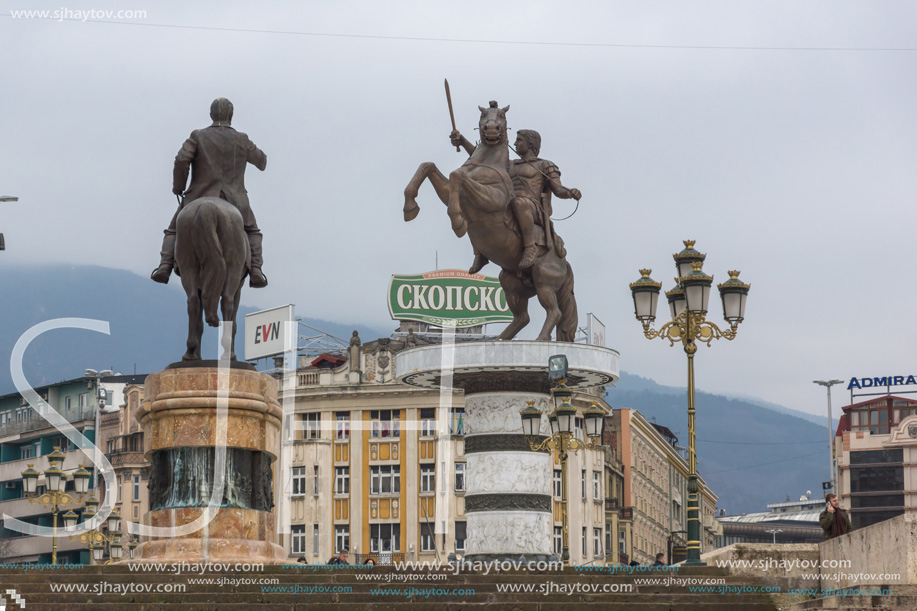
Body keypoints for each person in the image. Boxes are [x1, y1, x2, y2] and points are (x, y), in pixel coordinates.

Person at [151, 97, 269, 288]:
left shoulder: (198, 136)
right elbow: (262, 162)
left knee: (173, 229)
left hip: (198, 196)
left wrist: (178, 187)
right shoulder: (242, 139)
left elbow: (181, 160)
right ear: (231, 115)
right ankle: (256, 271)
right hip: (236, 200)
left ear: (211, 114)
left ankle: (164, 266)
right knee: (252, 232)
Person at [450, 128, 581, 273]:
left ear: (530, 144)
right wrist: (462, 141)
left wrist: (570, 192)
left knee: (519, 202)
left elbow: (558, 189)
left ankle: (530, 247)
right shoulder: (509, 165)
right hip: (508, 202)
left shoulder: (544, 165)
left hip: (531, 206)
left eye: (519, 140)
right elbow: (483, 160)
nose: (514, 143)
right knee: (476, 206)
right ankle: (480, 252)